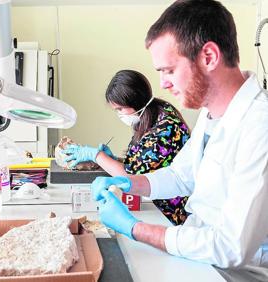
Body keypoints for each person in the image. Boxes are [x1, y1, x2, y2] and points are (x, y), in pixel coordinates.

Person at [91, 0, 268, 281]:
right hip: (199, 257)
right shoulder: (213, 113)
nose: (162, 84)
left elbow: (230, 247)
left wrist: (135, 228)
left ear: (208, 56)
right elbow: (181, 175)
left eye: (169, 70)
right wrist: (130, 183)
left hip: (235, 274)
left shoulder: (259, 126)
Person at [63, 69, 190, 225]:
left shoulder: (166, 129)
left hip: (172, 214)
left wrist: (97, 156)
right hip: (154, 202)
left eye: (120, 109)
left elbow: (130, 178)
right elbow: (143, 163)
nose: (119, 115)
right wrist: (114, 159)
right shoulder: (151, 115)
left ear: (135, 101)